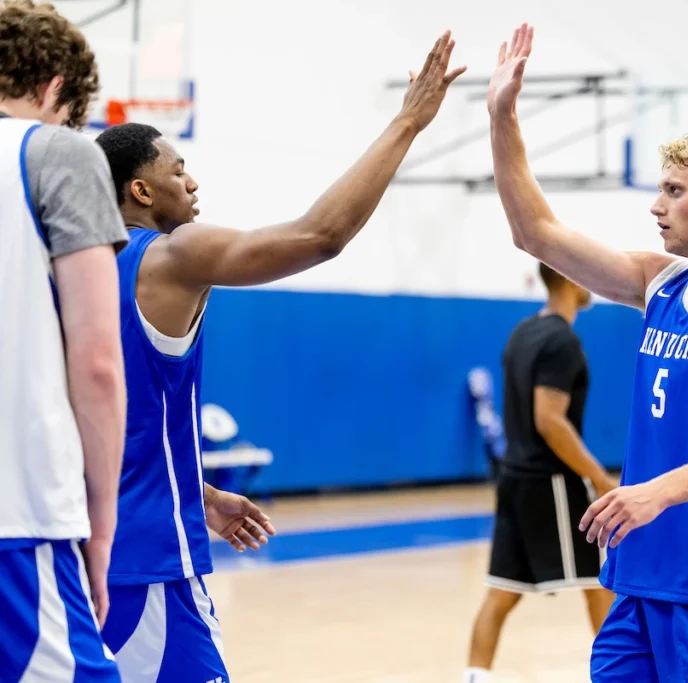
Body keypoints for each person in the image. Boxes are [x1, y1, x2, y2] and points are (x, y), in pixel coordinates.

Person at [92, 32, 466, 682]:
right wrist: (408, 121)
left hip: (78, 556)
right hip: (149, 565)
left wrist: (197, 492)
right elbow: (320, 235)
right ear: (142, 193)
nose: (192, 179)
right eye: (177, 168)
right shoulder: (172, 256)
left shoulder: (72, 273)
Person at [486, 23, 688, 682]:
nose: (656, 206)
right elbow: (535, 232)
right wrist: (502, 116)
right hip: (640, 577)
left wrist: (654, 492)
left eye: (673, 190)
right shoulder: (656, 281)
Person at [0, 1, 127, 680]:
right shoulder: (55, 152)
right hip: (19, 520)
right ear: (53, 86)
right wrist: (100, 528)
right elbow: (99, 365)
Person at [464, 262, 618, 683]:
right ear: (569, 279)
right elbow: (550, 420)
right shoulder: (562, 340)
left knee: (500, 593)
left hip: (513, 479)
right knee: (599, 583)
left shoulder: (522, 333)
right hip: (551, 482)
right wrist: (600, 478)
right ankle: (617, 676)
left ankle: (475, 676)